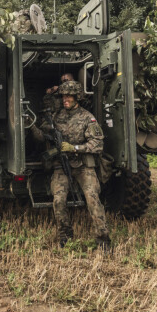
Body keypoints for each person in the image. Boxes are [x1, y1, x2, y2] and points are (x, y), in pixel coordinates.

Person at [32, 80, 111, 250]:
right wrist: (30, 125)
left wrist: (75, 148)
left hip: (83, 166)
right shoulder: (56, 117)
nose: (65, 99)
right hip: (61, 165)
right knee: (59, 200)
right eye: (63, 96)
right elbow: (42, 136)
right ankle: (65, 235)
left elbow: (97, 145)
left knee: (92, 198)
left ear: (77, 97)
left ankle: (103, 239)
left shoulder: (87, 117)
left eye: (69, 96)